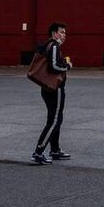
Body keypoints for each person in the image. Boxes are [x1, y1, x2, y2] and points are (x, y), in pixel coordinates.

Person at [32, 22, 71, 165]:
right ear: (54, 33)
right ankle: (38, 152)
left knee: (55, 118)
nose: (64, 35)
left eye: (65, 33)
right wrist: (67, 66)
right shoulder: (54, 45)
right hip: (55, 88)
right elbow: (54, 65)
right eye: (61, 32)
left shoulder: (48, 45)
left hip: (47, 87)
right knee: (54, 120)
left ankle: (55, 150)